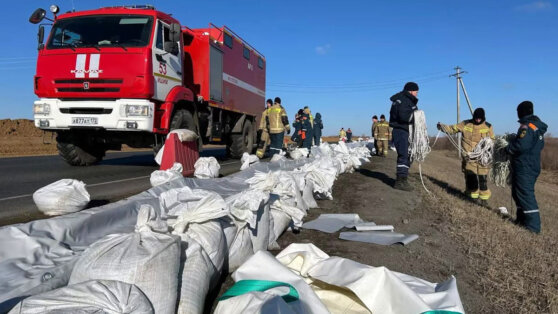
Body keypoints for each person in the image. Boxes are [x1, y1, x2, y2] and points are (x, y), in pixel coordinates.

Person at [437, 108, 495, 205]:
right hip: (469, 156)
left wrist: (489, 146)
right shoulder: (465, 124)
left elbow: (492, 140)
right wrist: (442, 127)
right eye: (476, 118)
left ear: (483, 118)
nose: (477, 120)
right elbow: (452, 129)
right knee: (471, 177)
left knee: (483, 178)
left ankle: (484, 200)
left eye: (480, 119)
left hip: (482, 158)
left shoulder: (488, 126)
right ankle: (472, 198)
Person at [506, 101, 547, 234]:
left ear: (521, 112)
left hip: (525, 167)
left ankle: (533, 228)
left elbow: (522, 145)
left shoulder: (527, 127)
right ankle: (521, 220)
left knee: (526, 195)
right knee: (518, 194)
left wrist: (508, 148)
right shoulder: (536, 127)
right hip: (530, 165)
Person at [389, 82, 419, 191]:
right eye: (416, 92)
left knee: (408, 155)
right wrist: (417, 117)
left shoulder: (406, 100)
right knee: (404, 155)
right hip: (401, 131)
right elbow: (403, 116)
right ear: (410, 91)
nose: (416, 94)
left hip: (404, 131)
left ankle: (403, 178)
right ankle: (400, 182)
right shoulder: (403, 100)